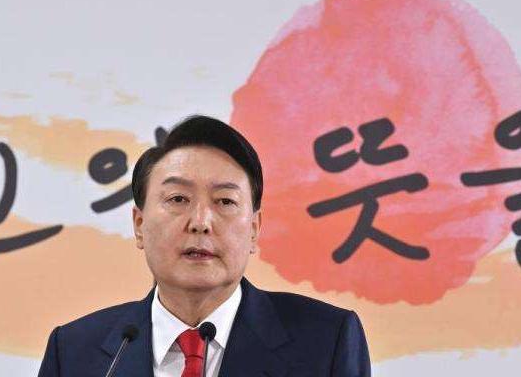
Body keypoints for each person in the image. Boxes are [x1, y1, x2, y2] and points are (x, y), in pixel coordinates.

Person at [38, 115, 371, 377]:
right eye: (178, 199)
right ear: (139, 225)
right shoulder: (74, 353)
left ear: (254, 229)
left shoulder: (325, 340)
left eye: (225, 201)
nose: (200, 222)